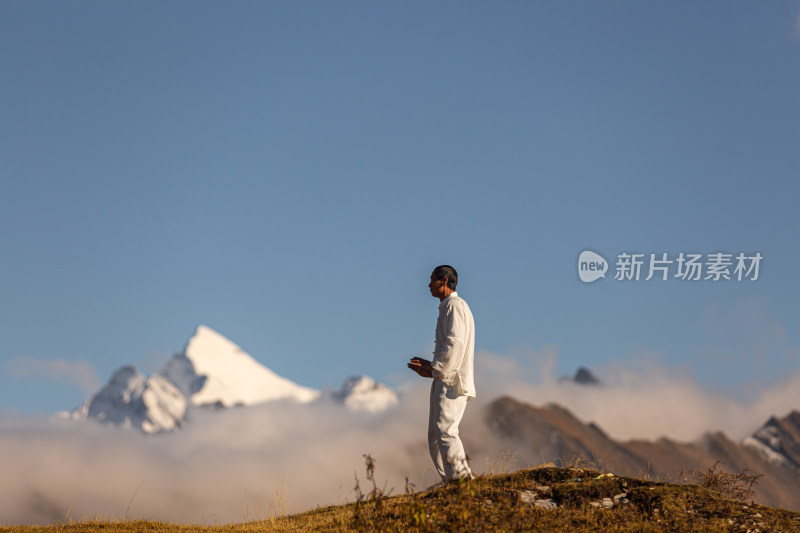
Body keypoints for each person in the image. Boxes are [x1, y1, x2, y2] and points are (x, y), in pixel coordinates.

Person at [408, 265, 475, 482]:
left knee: (446, 430)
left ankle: (462, 480)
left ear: (444, 281)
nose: (428, 285)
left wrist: (435, 368)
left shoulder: (455, 306)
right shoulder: (448, 307)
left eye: (432, 280)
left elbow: (455, 343)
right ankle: (451, 480)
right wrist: (431, 369)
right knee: (436, 436)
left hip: (451, 381)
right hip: (443, 377)